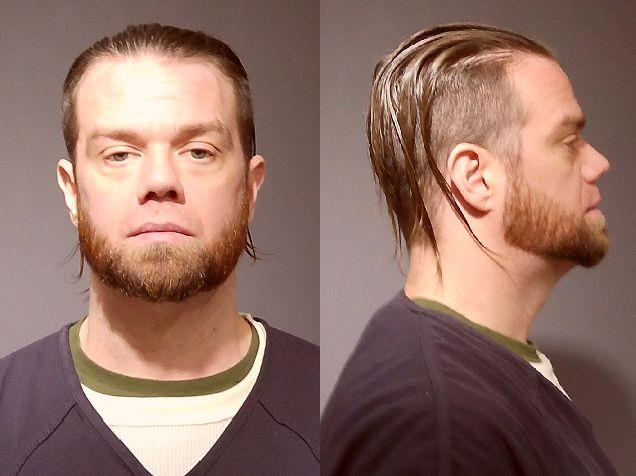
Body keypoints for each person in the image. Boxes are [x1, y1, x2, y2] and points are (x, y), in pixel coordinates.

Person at [0, 24, 318, 476]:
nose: (160, 181)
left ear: (250, 188)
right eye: (119, 154)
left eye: (199, 151)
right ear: (72, 191)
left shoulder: (337, 412)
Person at [321, 23, 616, 475]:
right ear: (476, 178)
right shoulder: (437, 423)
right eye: (568, 141)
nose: (598, 163)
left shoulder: (470, 384)